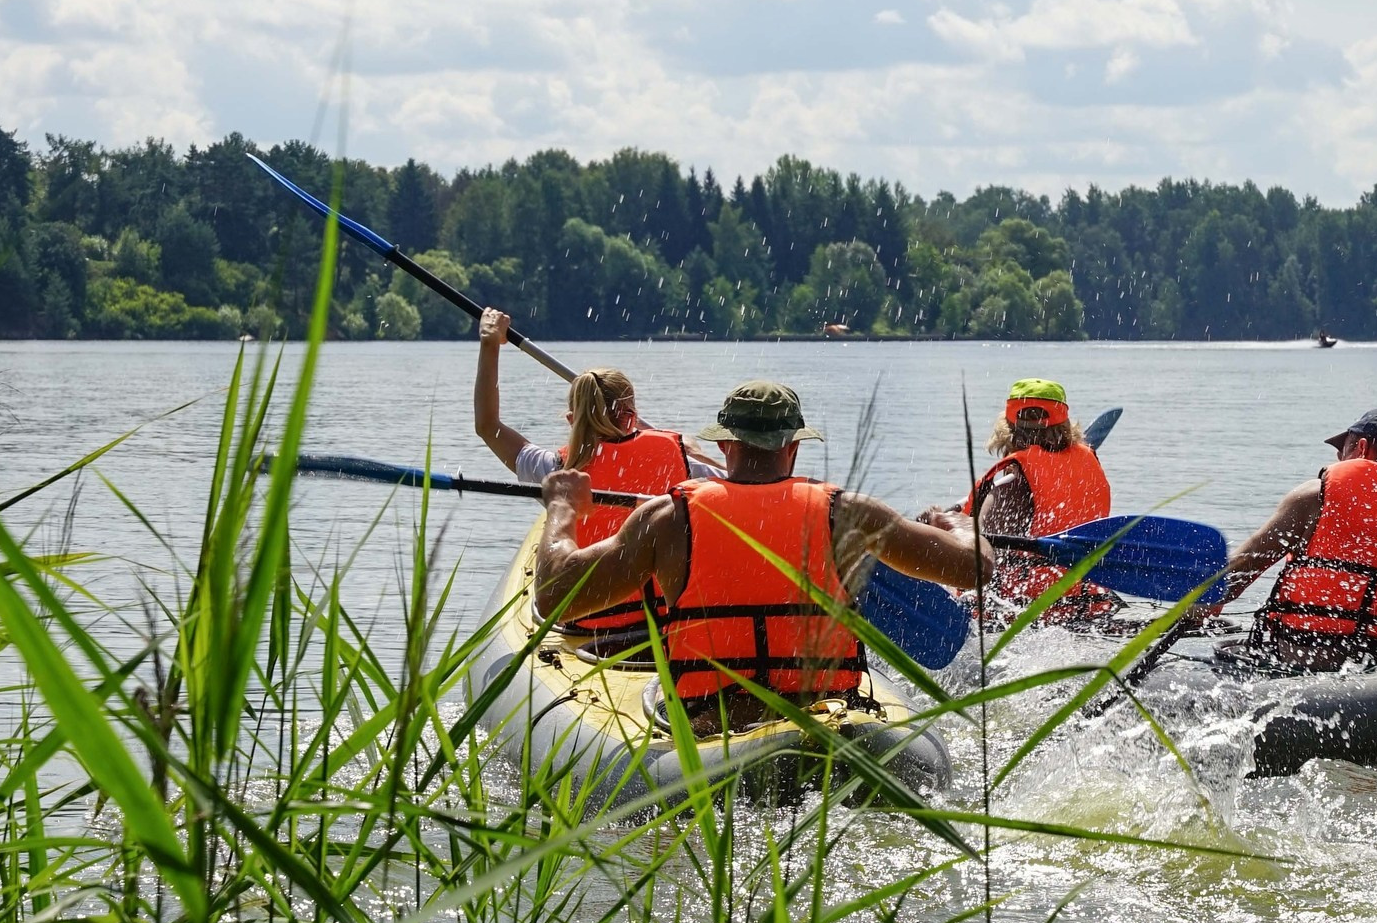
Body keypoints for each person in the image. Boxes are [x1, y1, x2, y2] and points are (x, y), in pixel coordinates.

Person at [536, 381, 990, 724]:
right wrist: (960, 524)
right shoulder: (847, 513)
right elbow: (974, 569)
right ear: (792, 447)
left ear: (724, 445)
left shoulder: (667, 519)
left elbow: (555, 595)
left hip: (713, 724)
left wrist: (561, 507)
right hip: (826, 716)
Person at [473, 307, 716, 629]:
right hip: (665, 619)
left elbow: (488, 426)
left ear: (572, 420)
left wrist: (490, 344)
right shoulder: (685, 465)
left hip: (589, 619)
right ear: (633, 414)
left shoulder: (556, 471)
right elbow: (742, 486)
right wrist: (694, 453)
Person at [1206, 409, 1377, 672]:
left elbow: (1229, 581)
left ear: (1361, 447)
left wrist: (1193, 609)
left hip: (1311, 661)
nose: (1339, 460)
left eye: (1343, 452)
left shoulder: (1313, 496)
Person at [962, 378, 1116, 622]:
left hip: (1023, 603)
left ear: (1005, 427)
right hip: (1088, 595)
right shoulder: (1088, 460)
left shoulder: (1011, 483)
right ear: (1065, 423)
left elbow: (981, 554)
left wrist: (945, 525)